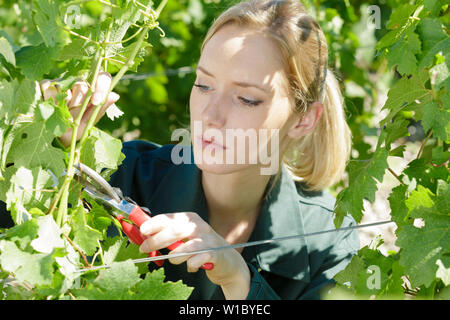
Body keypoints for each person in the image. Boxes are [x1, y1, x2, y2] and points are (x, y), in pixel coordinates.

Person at [3, 0, 360, 299]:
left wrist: (240, 282)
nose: (211, 116)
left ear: (303, 120)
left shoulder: (329, 240)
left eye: (247, 99)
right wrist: (41, 142)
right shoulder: (122, 176)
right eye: (203, 85)